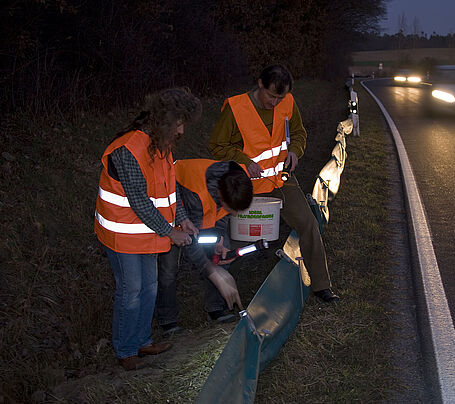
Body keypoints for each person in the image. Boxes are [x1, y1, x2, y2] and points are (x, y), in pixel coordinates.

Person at [208, 64, 339, 302]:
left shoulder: (288, 101)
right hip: (247, 186)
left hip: (282, 180)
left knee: (308, 223)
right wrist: (243, 161)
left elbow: (298, 132)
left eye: (280, 97)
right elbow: (217, 146)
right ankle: (216, 302)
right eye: (271, 96)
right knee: (231, 242)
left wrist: (296, 152)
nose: (275, 102)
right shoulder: (236, 108)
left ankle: (321, 286)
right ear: (260, 84)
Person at [94, 87, 201, 371]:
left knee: (150, 287)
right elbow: (140, 202)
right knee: (131, 290)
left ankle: (142, 340)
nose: (181, 130)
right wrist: (171, 232)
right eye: (179, 123)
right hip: (121, 234)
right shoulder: (128, 149)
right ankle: (126, 350)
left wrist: (182, 217)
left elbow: (169, 187)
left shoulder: (161, 144)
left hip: (147, 233)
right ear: (165, 120)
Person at [156, 159, 253, 335]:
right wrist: (211, 270)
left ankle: (215, 309)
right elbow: (192, 241)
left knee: (223, 254)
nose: (234, 214)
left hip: (199, 217)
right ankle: (167, 321)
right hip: (170, 215)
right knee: (168, 269)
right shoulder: (197, 193)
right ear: (220, 195)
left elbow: (223, 214)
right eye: (231, 209)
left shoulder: (237, 180)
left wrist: (219, 240)